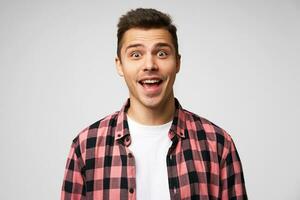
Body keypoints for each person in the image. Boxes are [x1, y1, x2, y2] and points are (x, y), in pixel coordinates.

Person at [61, 8, 247, 200]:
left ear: (177, 63)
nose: (149, 65)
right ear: (119, 65)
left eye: (161, 53)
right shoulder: (85, 147)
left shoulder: (217, 144)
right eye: (135, 54)